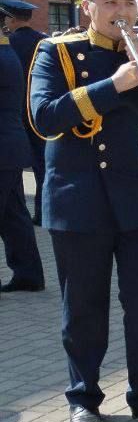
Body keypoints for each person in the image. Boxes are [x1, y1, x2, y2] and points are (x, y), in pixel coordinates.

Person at [28, 0, 138, 422]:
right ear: (87, 6)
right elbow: (44, 118)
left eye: (129, 3)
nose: (121, 12)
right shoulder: (57, 52)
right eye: (110, 2)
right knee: (84, 308)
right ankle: (84, 397)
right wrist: (115, 84)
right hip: (82, 202)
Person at [0, 22, 43, 292]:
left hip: (3, 149)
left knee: (13, 215)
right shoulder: (7, 52)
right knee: (13, 216)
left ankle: (29, 274)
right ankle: (29, 275)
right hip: (10, 149)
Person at [0, 0, 49, 225]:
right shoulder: (44, 41)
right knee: (42, 166)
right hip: (39, 112)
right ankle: (43, 212)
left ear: (9, 19)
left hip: (15, 113)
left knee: (15, 173)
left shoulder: (8, 44)